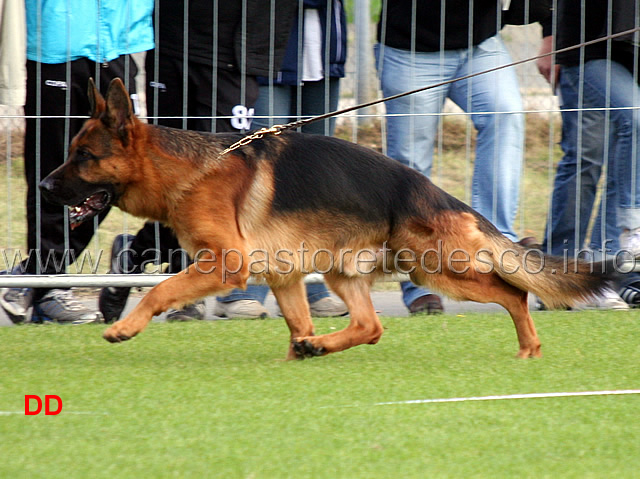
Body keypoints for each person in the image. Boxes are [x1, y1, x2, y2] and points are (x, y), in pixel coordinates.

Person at [98, 0, 299, 322]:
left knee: (218, 181)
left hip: (240, 51)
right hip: (176, 42)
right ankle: (175, 283)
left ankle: (137, 254)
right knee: (172, 177)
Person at [375, 0, 550, 315]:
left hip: (480, 44)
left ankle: (497, 247)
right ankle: (419, 282)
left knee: (505, 115)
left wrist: (538, 16)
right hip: (411, 50)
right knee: (409, 163)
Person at [0, 0, 154, 324]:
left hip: (120, 42)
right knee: (52, 174)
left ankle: (37, 277)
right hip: (57, 45)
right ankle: (50, 288)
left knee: (114, 177)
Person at [214, 0, 349, 319]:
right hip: (269, 54)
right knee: (263, 178)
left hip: (324, 55)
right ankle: (242, 288)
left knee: (317, 178)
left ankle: (312, 285)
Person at [536, 0, 640, 309]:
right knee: (586, 161)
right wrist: (550, 35)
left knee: (622, 167)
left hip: (632, 52)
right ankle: (555, 277)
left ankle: (599, 276)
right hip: (588, 47)